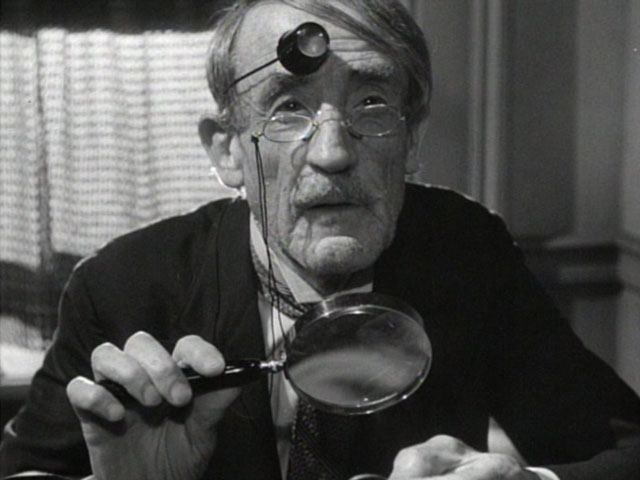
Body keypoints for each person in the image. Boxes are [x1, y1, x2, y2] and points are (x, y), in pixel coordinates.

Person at [1, 0, 639, 479]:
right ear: (227, 152)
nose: (333, 153)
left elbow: (624, 446)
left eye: (371, 103)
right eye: (287, 109)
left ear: (412, 140)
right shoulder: (123, 286)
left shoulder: (466, 251)